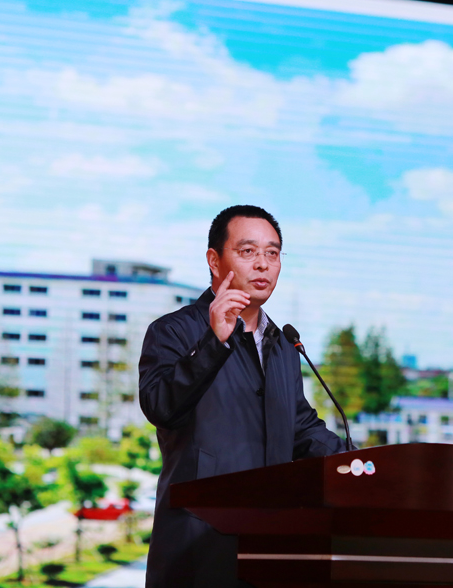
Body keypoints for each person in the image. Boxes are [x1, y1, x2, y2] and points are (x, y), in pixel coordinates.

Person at [138, 205, 346, 588]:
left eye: (273, 253)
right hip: (198, 548)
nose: (263, 264)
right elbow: (161, 407)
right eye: (248, 251)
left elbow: (300, 428)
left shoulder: (283, 345)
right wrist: (213, 342)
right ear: (214, 260)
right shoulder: (174, 331)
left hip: (269, 548)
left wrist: (363, 462)